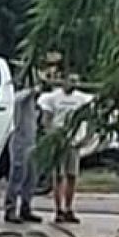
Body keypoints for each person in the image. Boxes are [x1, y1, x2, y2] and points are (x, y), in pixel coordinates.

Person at [37, 75, 92, 224]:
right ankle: (58, 209)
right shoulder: (53, 98)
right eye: (70, 80)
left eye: (76, 81)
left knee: (72, 175)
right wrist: (51, 136)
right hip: (58, 141)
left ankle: (69, 208)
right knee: (59, 176)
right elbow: (46, 119)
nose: (73, 83)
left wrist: (86, 137)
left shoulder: (81, 99)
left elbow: (88, 119)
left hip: (74, 141)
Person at [4, 79, 43, 224]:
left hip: (32, 142)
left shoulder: (34, 104)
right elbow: (19, 98)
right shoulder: (20, 99)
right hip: (20, 141)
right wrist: (32, 90)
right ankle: (10, 208)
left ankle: (26, 207)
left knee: (31, 177)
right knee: (17, 176)